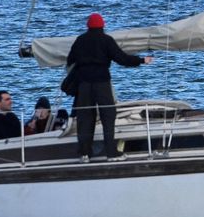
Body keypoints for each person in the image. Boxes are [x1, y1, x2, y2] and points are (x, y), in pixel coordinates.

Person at [66, 12, 153, 161]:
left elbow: (70, 60)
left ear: (88, 26)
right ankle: (111, 153)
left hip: (84, 84)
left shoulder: (80, 40)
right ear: (102, 26)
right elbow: (122, 58)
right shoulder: (106, 40)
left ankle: (84, 153)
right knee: (108, 116)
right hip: (102, 83)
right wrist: (141, 60)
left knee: (85, 117)